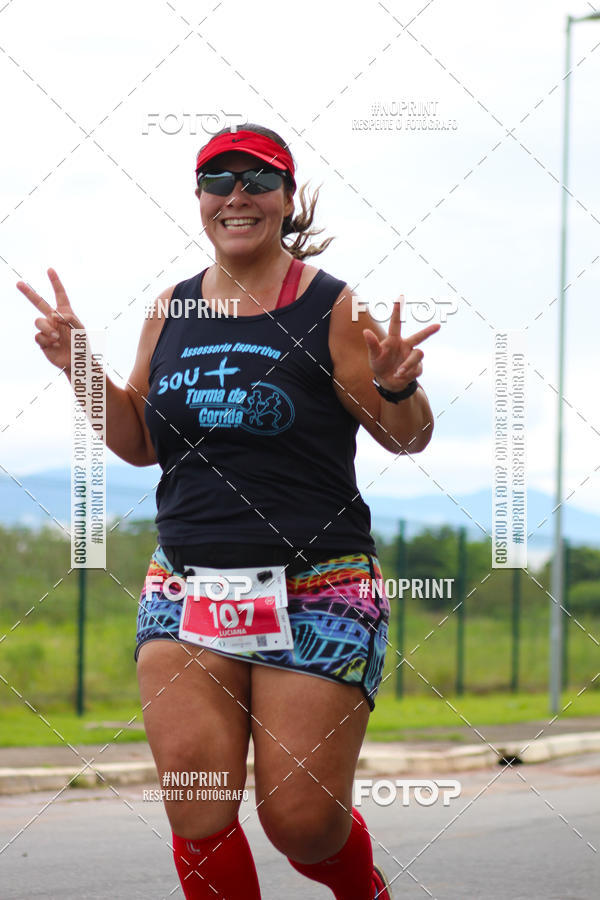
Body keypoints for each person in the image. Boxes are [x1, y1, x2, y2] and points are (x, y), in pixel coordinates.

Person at [18, 122, 439, 899]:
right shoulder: (172, 309)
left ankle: (364, 889)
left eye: (256, 179)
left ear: (284, 198)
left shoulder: (333, 307)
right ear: (200, 199)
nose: (236, 195)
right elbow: (141, 441)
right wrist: (79, 363)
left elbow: (404, 438)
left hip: (318, 585)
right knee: (196, 806)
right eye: (218, 180)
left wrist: (395, 387)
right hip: (187, 585)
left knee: (301, 820)